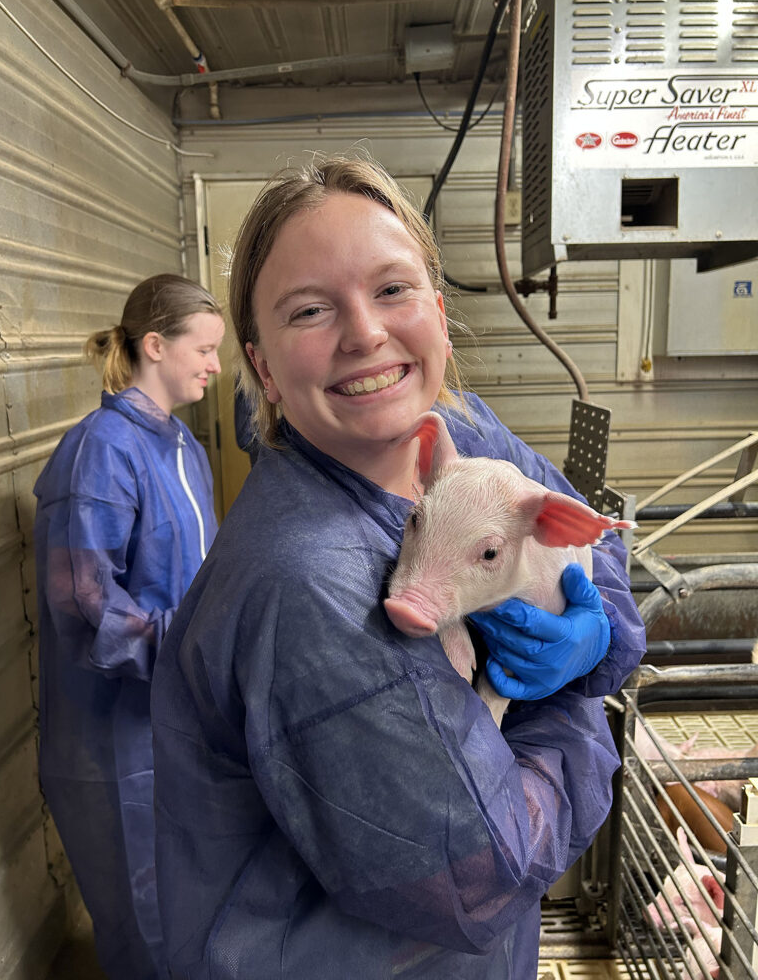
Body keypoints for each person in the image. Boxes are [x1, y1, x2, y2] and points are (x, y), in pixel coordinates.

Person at [151, 158, 646, 980]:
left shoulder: (458, 430)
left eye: (392, 290)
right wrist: (576, 703)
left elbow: (589, 541)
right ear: (264, 368)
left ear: (440, 318)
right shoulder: (310, 583)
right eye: (310, 309)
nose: (364, 333)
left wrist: (598, 633)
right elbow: (486, 871)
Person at [34, 274, 225, 979]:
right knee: (145, 924)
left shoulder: (184, 448)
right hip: (114, 741)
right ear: (154, 345)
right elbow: (81, 601)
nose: (213, 365)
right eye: (203, 350)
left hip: (176, 720)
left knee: (188, 907)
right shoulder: (101, 451)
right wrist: (191, 645)